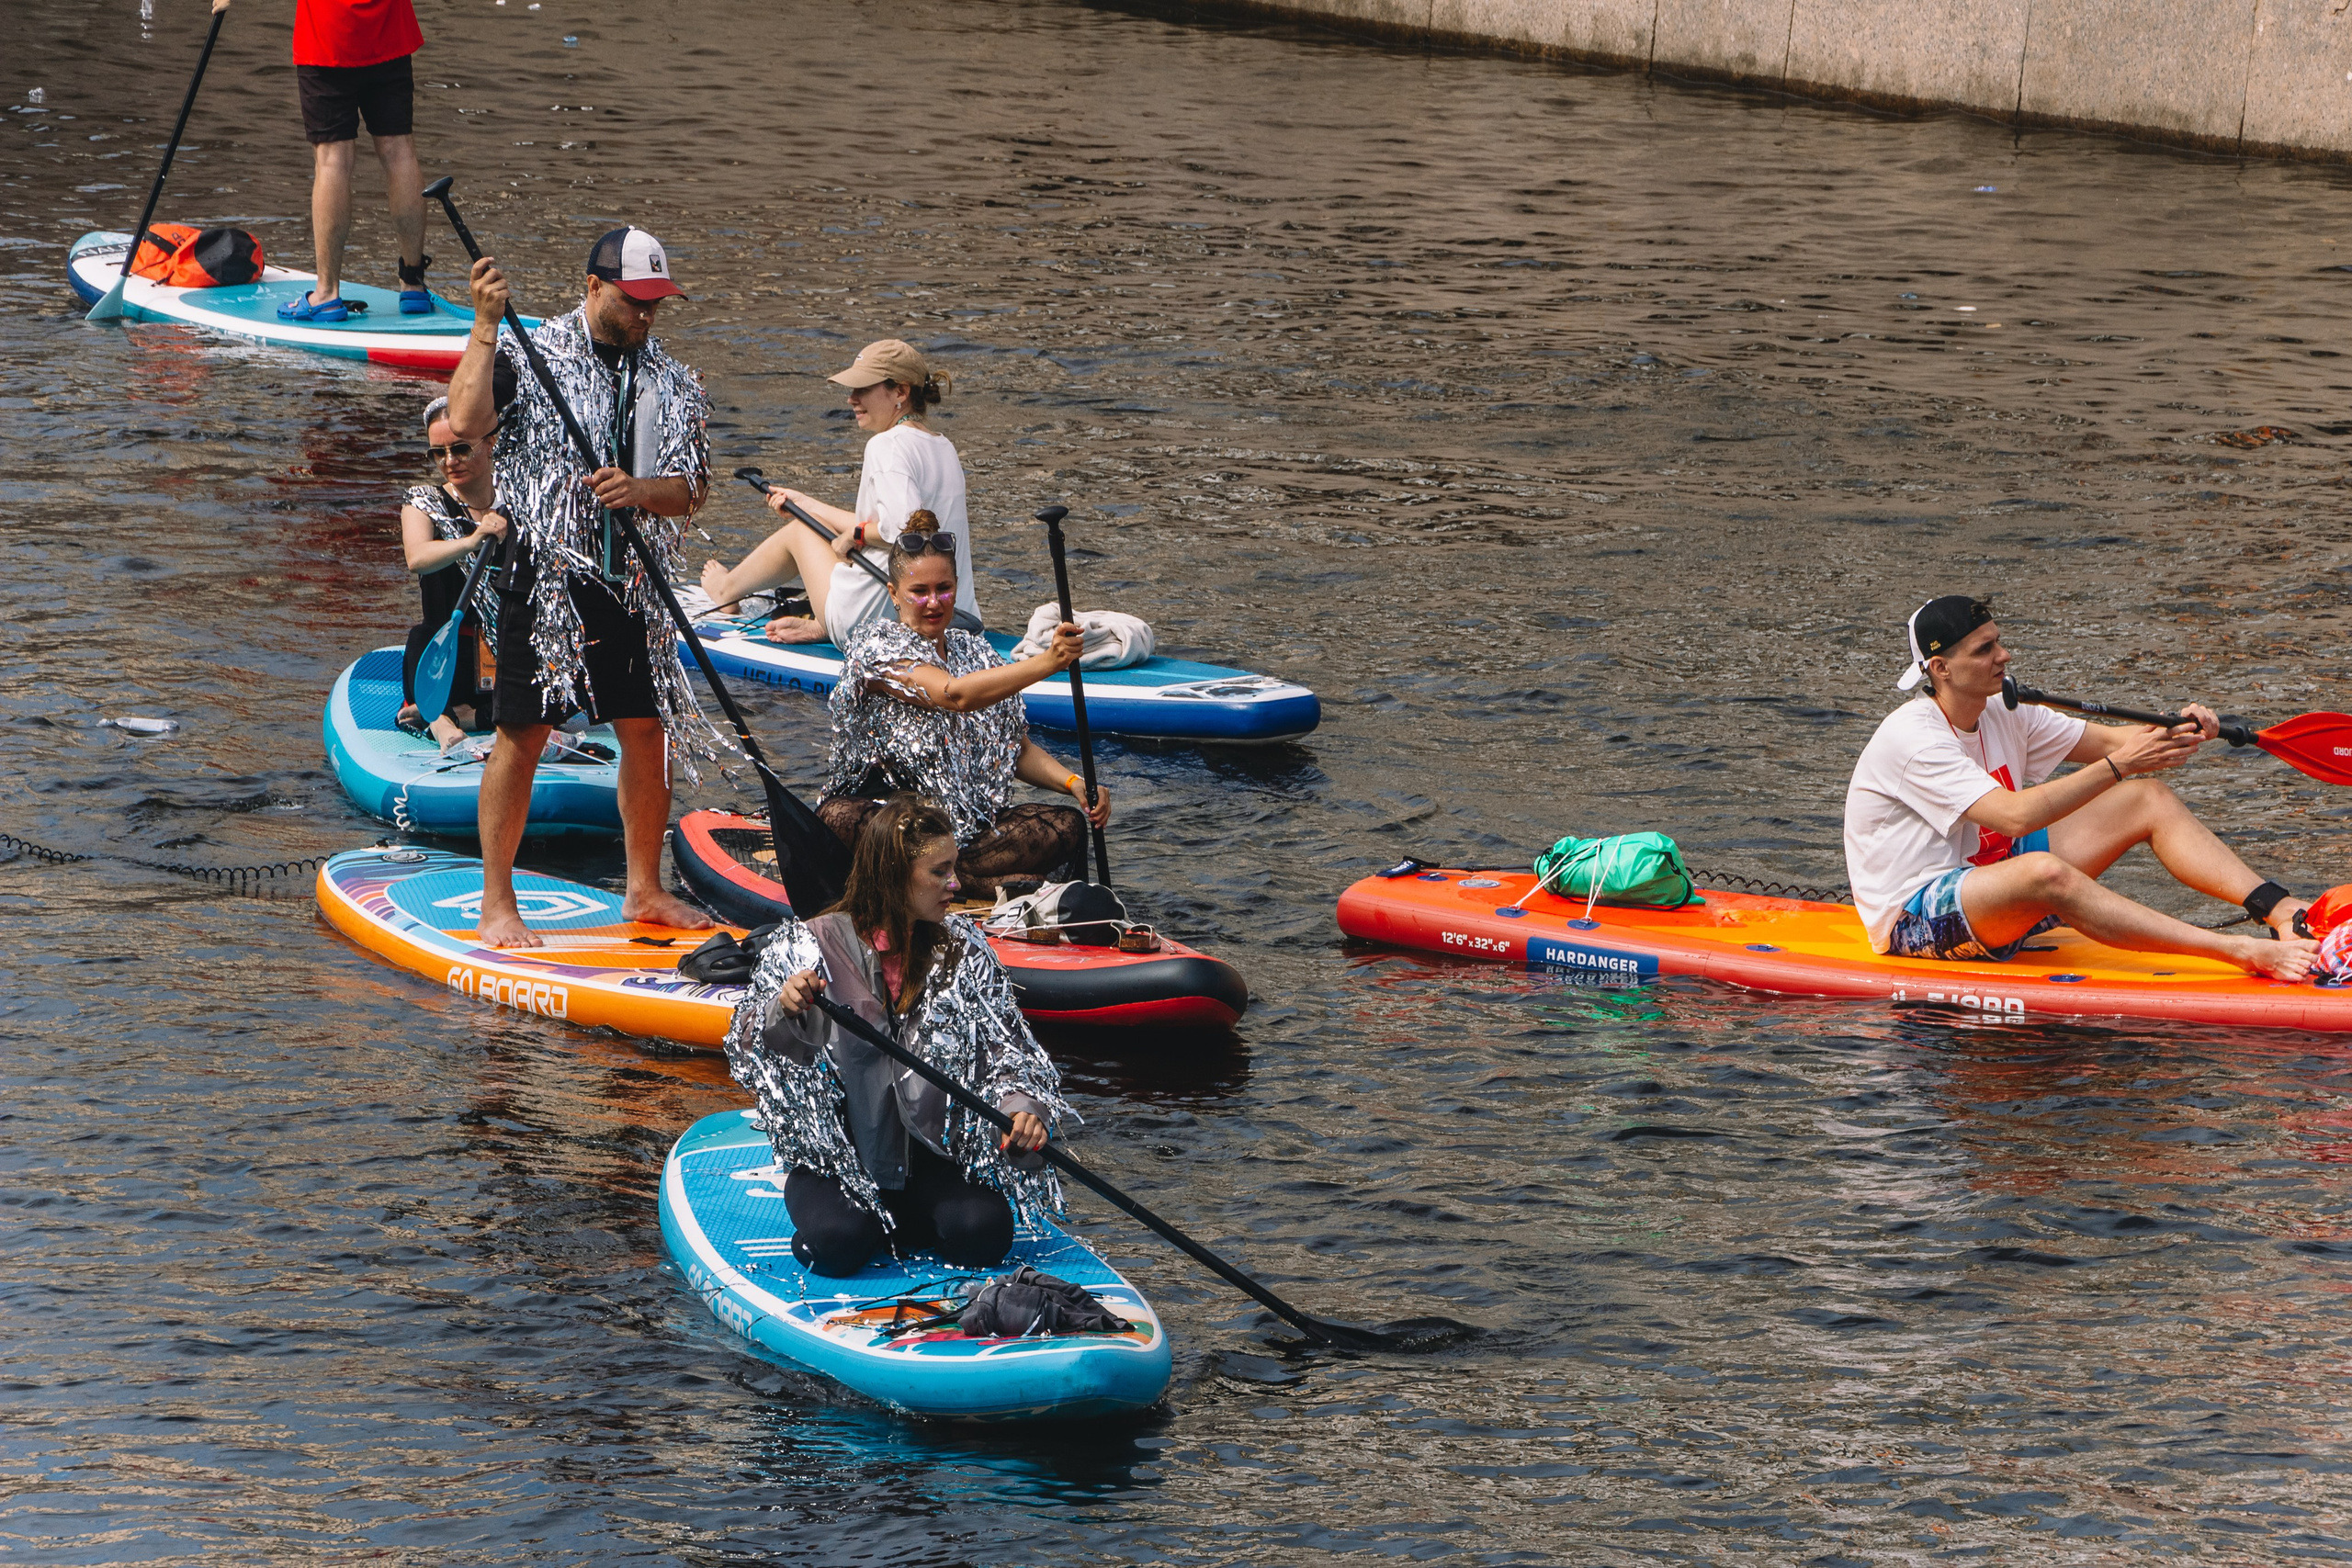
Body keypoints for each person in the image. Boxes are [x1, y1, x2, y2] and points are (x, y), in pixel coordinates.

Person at [443, 228, 716, 947]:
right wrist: (483, 325)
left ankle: (643, 887)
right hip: (548, 573)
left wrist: (639, 490)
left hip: (632, 581)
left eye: (658, 304)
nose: (647, 317)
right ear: (594, 287)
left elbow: (691, 492)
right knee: (523, 732)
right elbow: (465, 423)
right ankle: (496, 901)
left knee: (645, 731)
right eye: (635, 303)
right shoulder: (531, 356)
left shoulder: (675, 380)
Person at [1844, 595, 2316, 981]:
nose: (2003, 656)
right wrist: (2119, 765)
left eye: (1999, 642)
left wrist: (2185, 728)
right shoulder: (1913, 738)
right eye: (1984, 649)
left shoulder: (2003, 709)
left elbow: (2115, 741)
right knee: (2042, 871)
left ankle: (2279, 911)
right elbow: (2015, 816)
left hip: (1994, 882)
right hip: (1915, 919)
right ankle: (2235, 951)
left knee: (2144, 797)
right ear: (1941, 668)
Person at [722, 795, 1072, 1277]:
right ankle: (861, 1227)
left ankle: (900, 1226)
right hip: (839, 1159)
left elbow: (1006, 1050)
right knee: (838, 1244)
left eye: (954, 867)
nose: (956, 883)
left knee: (985, 1235)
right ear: (892, 874)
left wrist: (1021, 1112)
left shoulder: (964, 948)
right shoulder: (805, 944)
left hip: (926, 1157)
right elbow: (750, 1047)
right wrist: (784, 1010)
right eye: (939, 871)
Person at [820, 520, 1108, 895]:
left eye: (944, 589)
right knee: (843, 819)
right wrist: (1048, 663)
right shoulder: (875, 646)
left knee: (1067, 826)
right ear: (894, 593)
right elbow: (953, 695)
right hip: (891, 825)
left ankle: (961, 880)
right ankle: (973, 883)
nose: (934, 602)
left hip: (963, 830)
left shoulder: (974, 650)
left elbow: (1016, 751)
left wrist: (1074, 784)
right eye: (919, 591)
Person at [699, 339, 977, 646]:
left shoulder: (886, 445)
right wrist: (806, 504)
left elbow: (901, 531)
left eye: (863, 388)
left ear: (900, 391)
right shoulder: (943, 446)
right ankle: (822, 623)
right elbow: (898, 523)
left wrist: (855, 536)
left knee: (799, 532)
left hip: (876, 624)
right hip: (952, 619)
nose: (851, 399)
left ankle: (725, 591)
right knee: (812, 522)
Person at [217, 0, 435, 320]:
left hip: (327, 33)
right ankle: (414, 284)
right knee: (399, 150)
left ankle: (326, 294)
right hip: (389, 31)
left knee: (333, 160)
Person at [395, 395, 506, 749]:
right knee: (420, 636)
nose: (449, 462)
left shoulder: (521, 498)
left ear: (490, 442)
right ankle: (440, 719)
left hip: (504, 654)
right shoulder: (422, 501)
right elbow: (417, 557)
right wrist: (473, 541)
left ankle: (471, 718)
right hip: (447, 658)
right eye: (438, 453)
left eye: (460, 449)